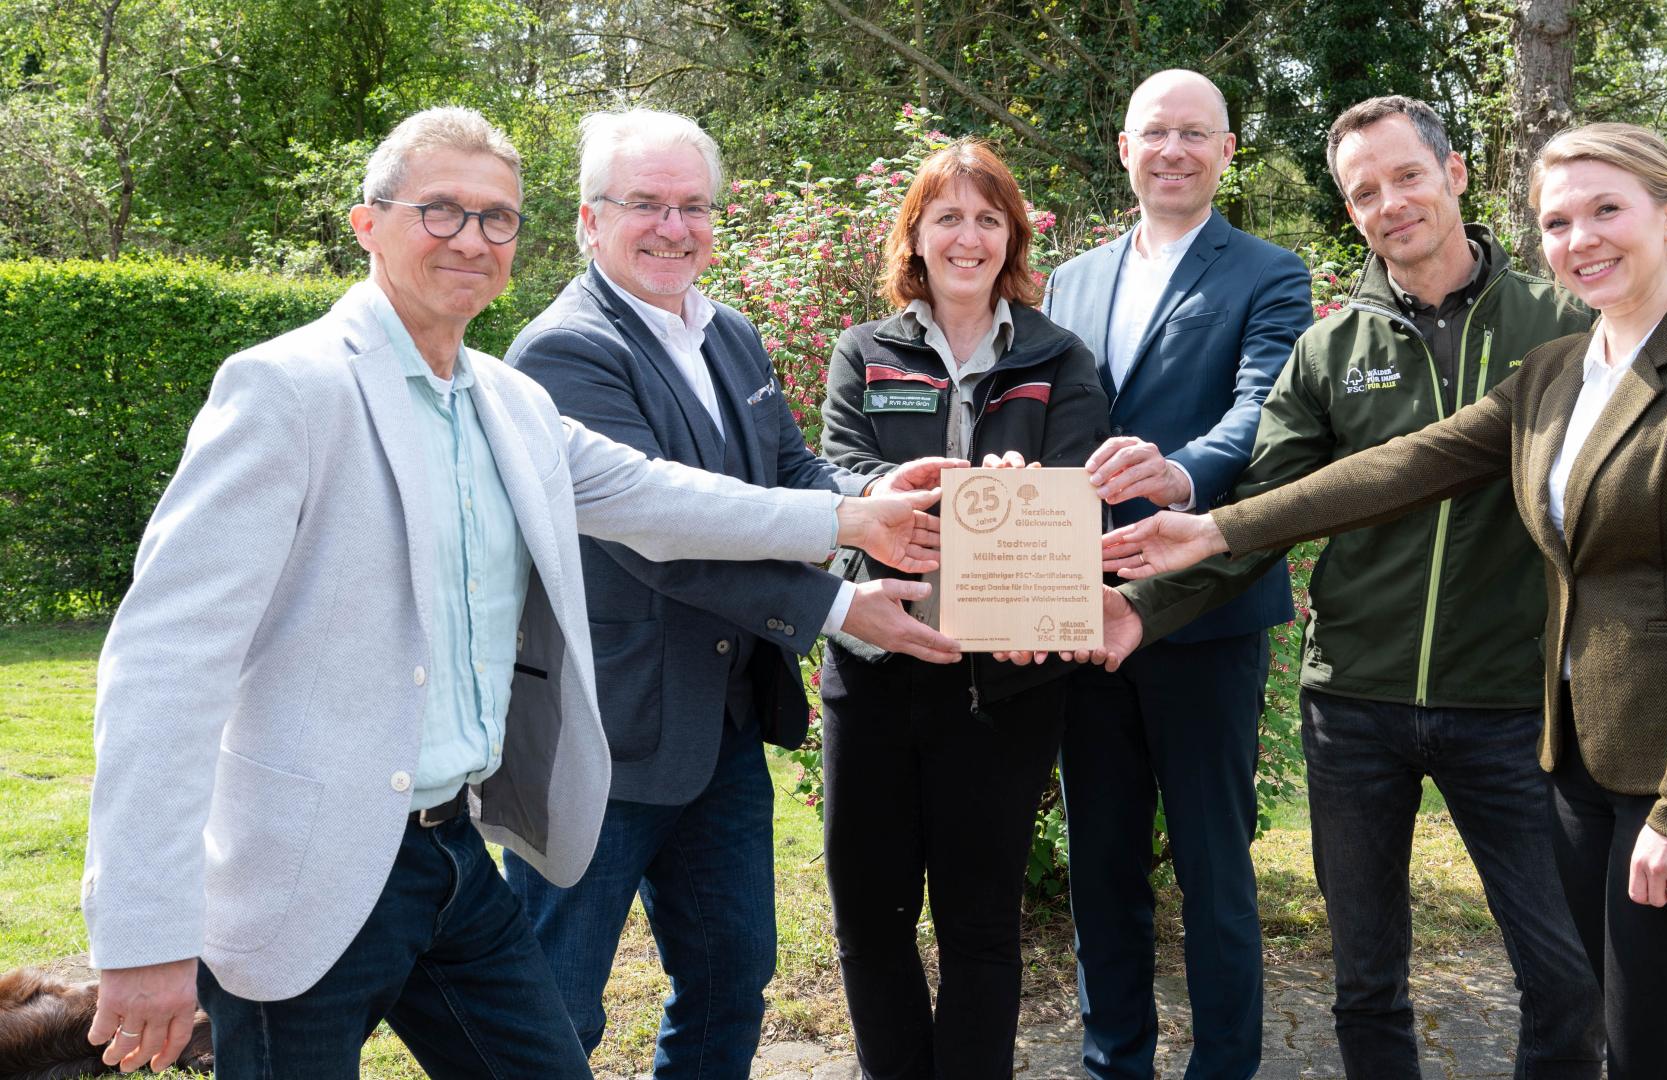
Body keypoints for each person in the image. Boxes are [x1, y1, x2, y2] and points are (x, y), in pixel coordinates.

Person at [79, 106, 938, 1079]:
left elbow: (657, 498)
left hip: (451, 854)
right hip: (309, 869)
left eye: (495, 219)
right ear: (368, 225)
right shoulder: (286, 389)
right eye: (440, 212)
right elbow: (161, 666)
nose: (472, 239)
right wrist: (144, 932)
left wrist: (851, 518)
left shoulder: (505, 401)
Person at [1105, 122, 1667, 1079]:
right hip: (1549, 760)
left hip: (1630, 752)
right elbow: (1396, 470)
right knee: (1573, 1017)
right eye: (1559, 221)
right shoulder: (1563, 369)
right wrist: (1207, 537)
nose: (1581, 238)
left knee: (1631, 1029)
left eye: (1607, 211)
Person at [1089, 95, 1603, 1078]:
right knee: (1366, 987)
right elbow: (1262, 516)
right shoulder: (1329, 352)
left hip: (1509, 706)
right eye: (1364, 192)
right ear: (1351, 214)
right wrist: (1141, 610)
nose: (1391, 203)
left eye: (1407, 176)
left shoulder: (1562, 328)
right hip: (1355, 707)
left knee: (1568, 975)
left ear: (1453, 175)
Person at [500, 107, 964, 1076]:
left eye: (692, 206)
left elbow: (786, 470)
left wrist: (877, 492)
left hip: (722, 726)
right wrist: (837, 606)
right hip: (606, 737)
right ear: (590, 221)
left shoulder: (730, 333)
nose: (673, 227)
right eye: (645, 205)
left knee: (729, 981)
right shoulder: (561, 354)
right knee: (553, 1006)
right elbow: (660, 536)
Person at [816, 137, 1110, 1078]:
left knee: (982, 923)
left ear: (1012, 237)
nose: (969, 237)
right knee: (871, 916)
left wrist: (1029, 495)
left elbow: (1079, 488)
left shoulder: (1061, 357)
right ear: (918, 234)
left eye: (989, 218)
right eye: (949, 216)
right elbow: (836, 471)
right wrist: (890, 485)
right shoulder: (863, 351)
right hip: (875, 668)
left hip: (1006, 683)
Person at [1039, 68, 1312, 1079]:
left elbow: (1265, 407)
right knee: (1100, 866)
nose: (1174, 150)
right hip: (1080, 606)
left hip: (1204, 616)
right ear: (1124, 147)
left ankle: (1223, 1066)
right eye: (1155, 132)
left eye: (1196, 134)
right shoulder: (1070, 279)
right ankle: (1117, 1062)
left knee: (1212, 869)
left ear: (1227, 150)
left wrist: (1182, 475)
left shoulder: (1268, 272)